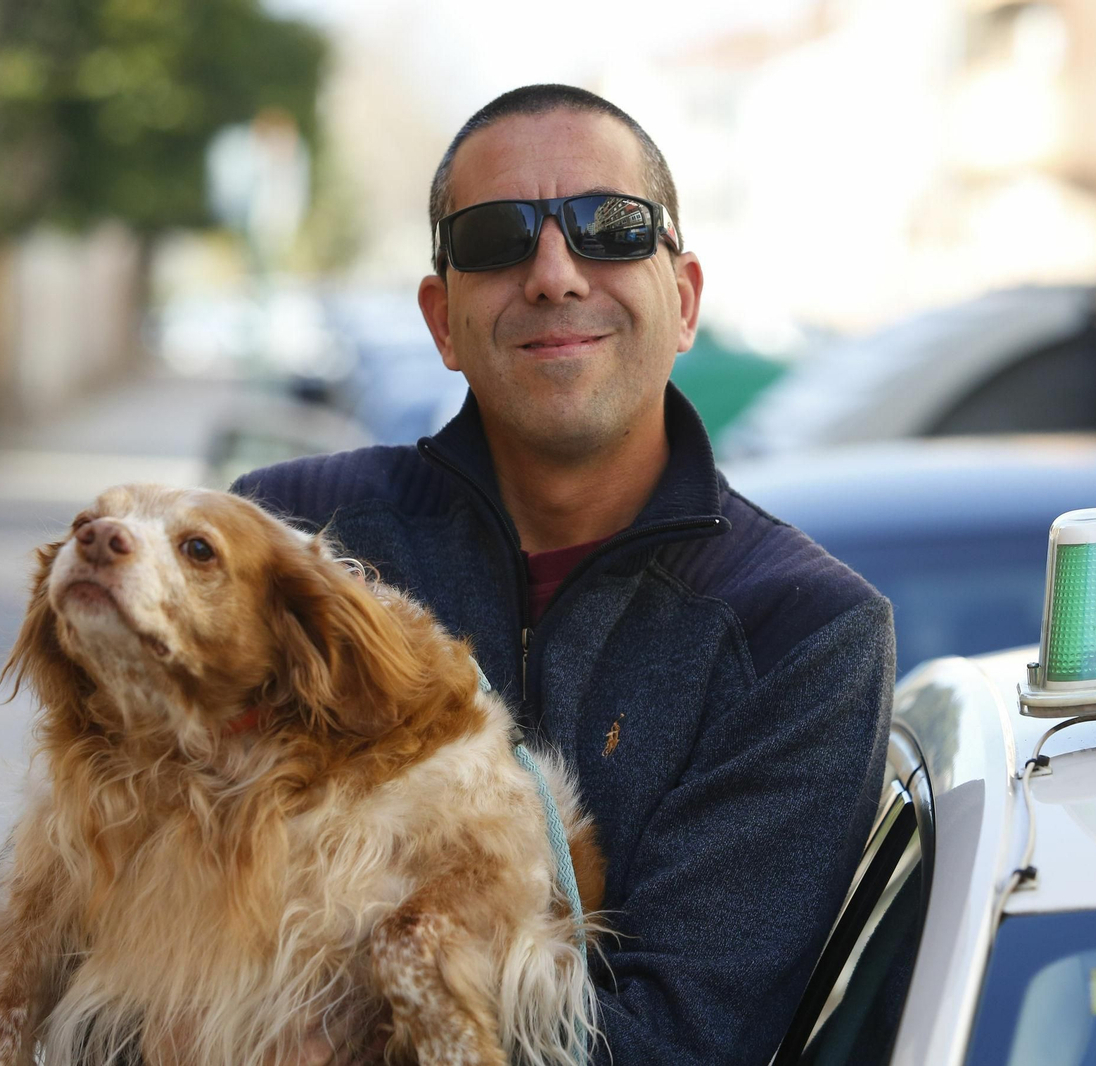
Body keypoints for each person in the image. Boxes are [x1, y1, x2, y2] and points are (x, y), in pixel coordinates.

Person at [233, 84, 895, 1063]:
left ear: (686, 298)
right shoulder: (290, 539)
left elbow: (669, 1044)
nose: (553, 272)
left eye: (611, 228)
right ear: (441, 318)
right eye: (498, 237)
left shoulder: (800, 633)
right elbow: (92, 883)